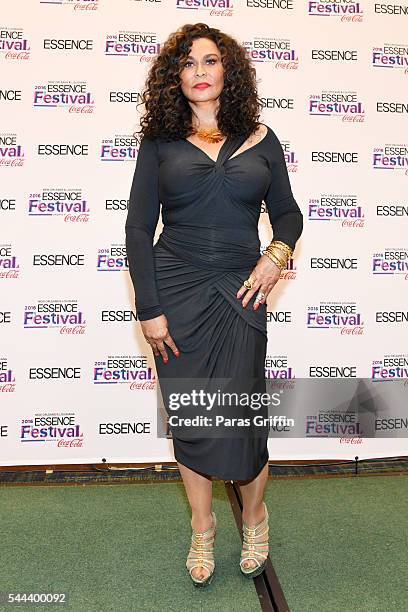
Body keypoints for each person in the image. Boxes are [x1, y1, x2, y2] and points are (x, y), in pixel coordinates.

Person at [125, 22, 303, 587]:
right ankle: (202, 527)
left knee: (243, 417)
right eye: (187, 63)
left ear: (228, 69)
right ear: (174, 78)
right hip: (175, 291)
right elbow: (136, 230)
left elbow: (290, 215)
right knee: (194, 417)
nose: (199, 71)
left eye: (209, 60)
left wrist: (276, 255)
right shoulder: (158, 144)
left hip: (242, 289)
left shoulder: (260, 137)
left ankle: (254, 515)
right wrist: (148, 308)